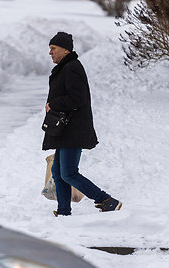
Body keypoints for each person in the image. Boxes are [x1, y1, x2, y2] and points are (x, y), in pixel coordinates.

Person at [42, 32, 122, 216]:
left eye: (53, 48)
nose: (50, 53)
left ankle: (106, 200)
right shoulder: (65, 67)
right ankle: (63, 211)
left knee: (68, 173)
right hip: (65, 130)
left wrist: (54, 104)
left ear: (65, 50)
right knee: (58, 172)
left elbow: (78, 98)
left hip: (73, 130)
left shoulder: (72, 67)